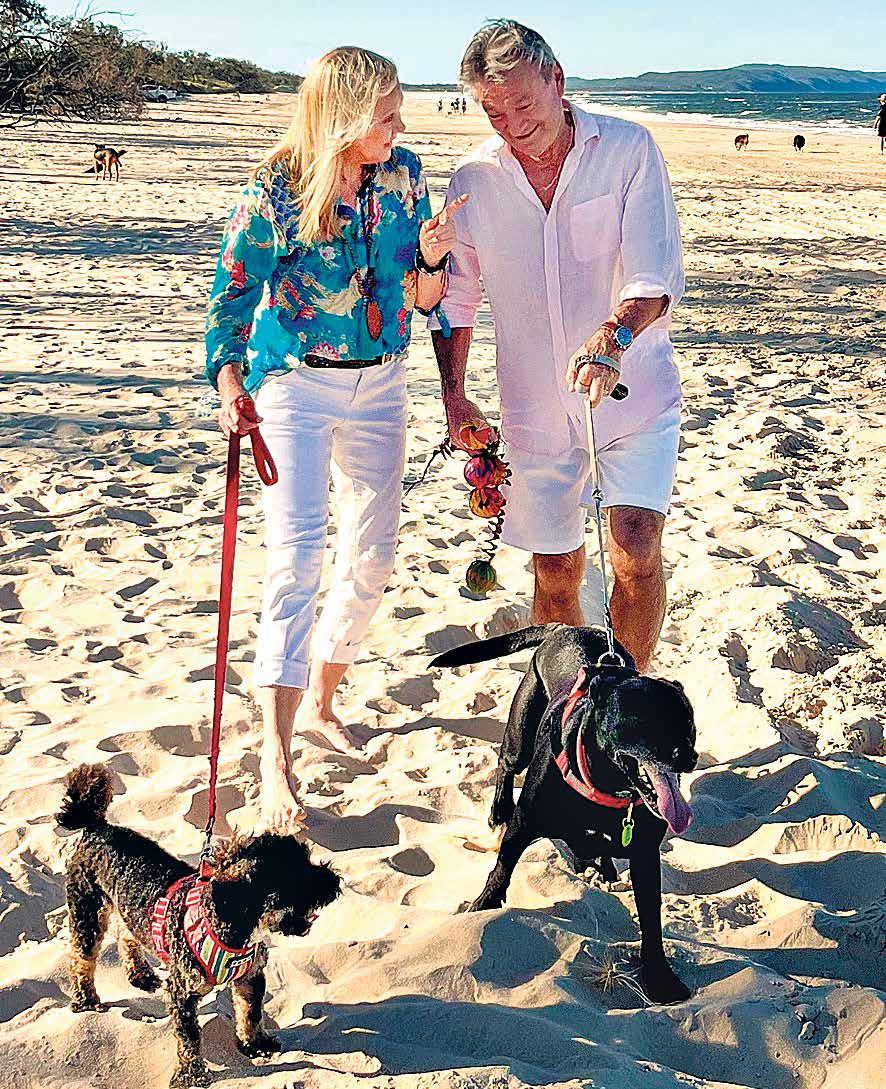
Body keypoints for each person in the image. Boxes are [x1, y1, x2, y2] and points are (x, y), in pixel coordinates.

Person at [205, 47, 466, 829]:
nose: (400, 126)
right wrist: (228, 382)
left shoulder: (405, 175)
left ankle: (321, 699)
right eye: (387, 114)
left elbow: (426, 300)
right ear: (347, 116)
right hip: (295, 383)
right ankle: (275, 755)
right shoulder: (277, 188)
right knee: (297, 561)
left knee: (373, 557)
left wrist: (432, 258)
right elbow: (232, 293)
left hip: (382, 381)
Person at [430, 20, 684, 673]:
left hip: (632, 396)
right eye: (495, 113)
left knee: (635, 547)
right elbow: (457, 299)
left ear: (557, 81)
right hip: (533, 408)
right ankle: (567, 707)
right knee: (556, 567)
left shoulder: (628, 149)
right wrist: (454, 396)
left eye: (523, 105)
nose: (513, 126)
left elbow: (654, 278)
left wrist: (612, 334)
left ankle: (626, 696)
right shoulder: (473, 179)